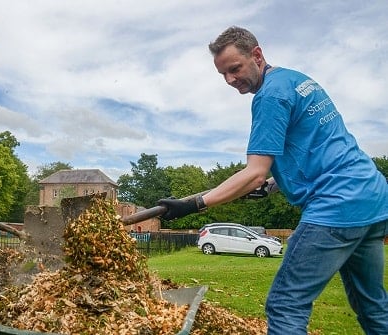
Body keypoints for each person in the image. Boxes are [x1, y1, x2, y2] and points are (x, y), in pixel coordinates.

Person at [157, 26, 388, 334]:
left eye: (234, 69)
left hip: (337, 206)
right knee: (372, 304)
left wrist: (193, 204)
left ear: (257, 55)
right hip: (373, 200)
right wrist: (275, 184)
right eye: (223, 74)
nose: (230, 80)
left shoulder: (269, 96)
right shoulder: (299, 81)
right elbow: (314, 146)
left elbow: (254, 173)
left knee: (286, 305)